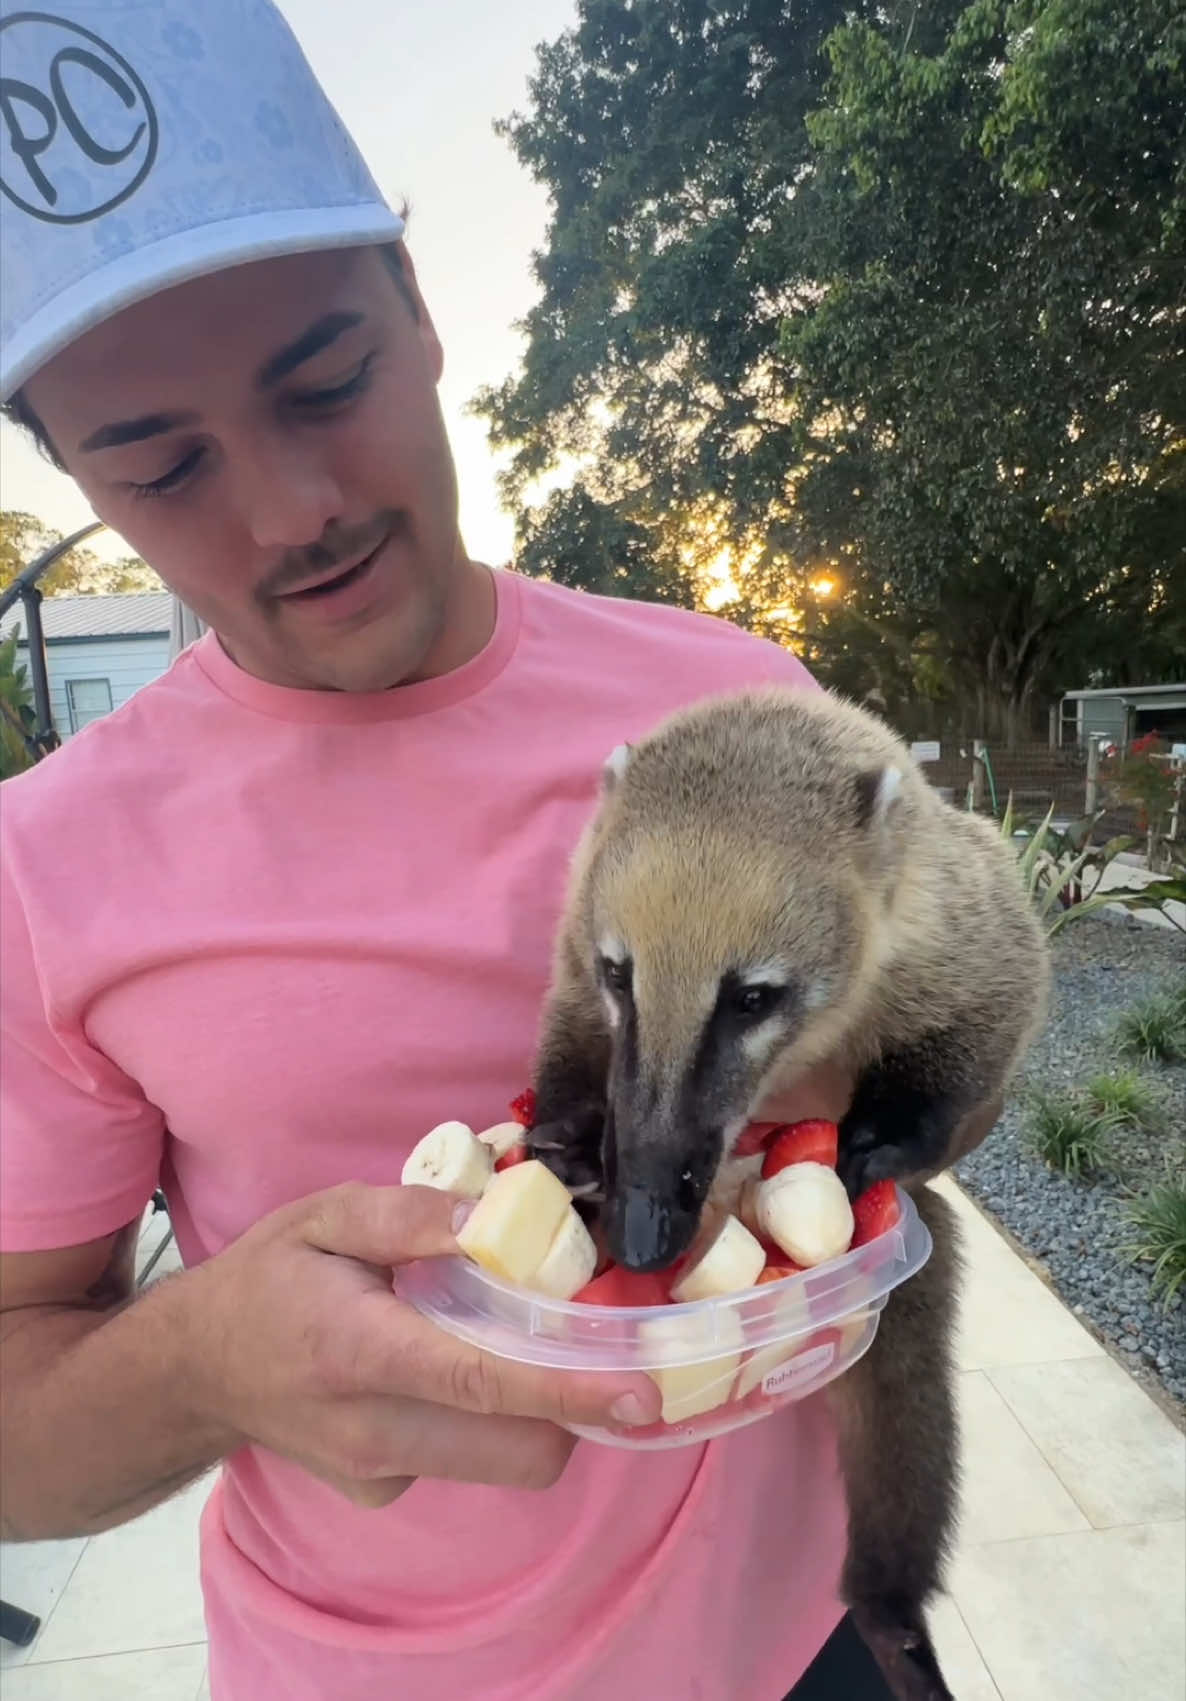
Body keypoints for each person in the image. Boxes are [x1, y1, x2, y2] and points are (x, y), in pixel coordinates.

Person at [0, 4, 901, 1696]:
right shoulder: (46, 868)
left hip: (803, 1640)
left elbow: (895, 1077)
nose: (289, 512)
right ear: (78, 479)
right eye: (164, 462)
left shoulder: (736, 702)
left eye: (324, 379)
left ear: (416, 311)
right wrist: (203, 1359)